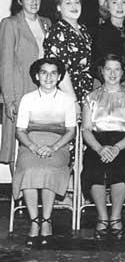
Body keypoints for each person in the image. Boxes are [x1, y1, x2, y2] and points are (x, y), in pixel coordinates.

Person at [13, 58, 76, 248]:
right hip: (30, 144)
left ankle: (46, 220)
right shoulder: (27, 99)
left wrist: (53, 147)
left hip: (58, 145)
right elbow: (20, 130)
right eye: (44, 72)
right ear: (36, 75)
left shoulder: (67, 100)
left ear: (59, 77)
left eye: (53, 73)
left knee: (49, 169)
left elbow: (71, 131)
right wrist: (33, 147)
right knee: (29, 168)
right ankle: (34, 221)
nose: (48, 77)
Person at [81, 54, 125, 240]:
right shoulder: (91, 97)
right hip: (96, 142)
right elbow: (86, 129)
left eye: (117, 69)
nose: (112, 73)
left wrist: (117, 148)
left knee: (123, 168)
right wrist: (99, 148)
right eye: (108, 69)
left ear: (123, 72)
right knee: (94, 169)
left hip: (123, 144)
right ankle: (102, 216)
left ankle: (115, 216)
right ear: (102, 71)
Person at [0, 0, 51, 168]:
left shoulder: (47, 22)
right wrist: (9, 99)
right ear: (20, 1)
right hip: (20, 90)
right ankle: (17, 193)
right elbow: (5, 64)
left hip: (43, 90)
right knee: (17, 143)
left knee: (39, 140)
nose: (33, 1)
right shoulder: (10, 24)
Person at [43, 0, 93, 108]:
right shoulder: (57, 31)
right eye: (68, 3)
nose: (74, 6)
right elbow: (59, 69)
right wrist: (73, 101)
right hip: (66, 95)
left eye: (77, 2)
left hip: (85, 91)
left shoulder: (83, 30)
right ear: (59, 7)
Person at [92, 0, 125, 66]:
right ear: (107, 6)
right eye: (115, 2)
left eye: (124, 2)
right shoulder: (101, 32)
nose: (120, 6)